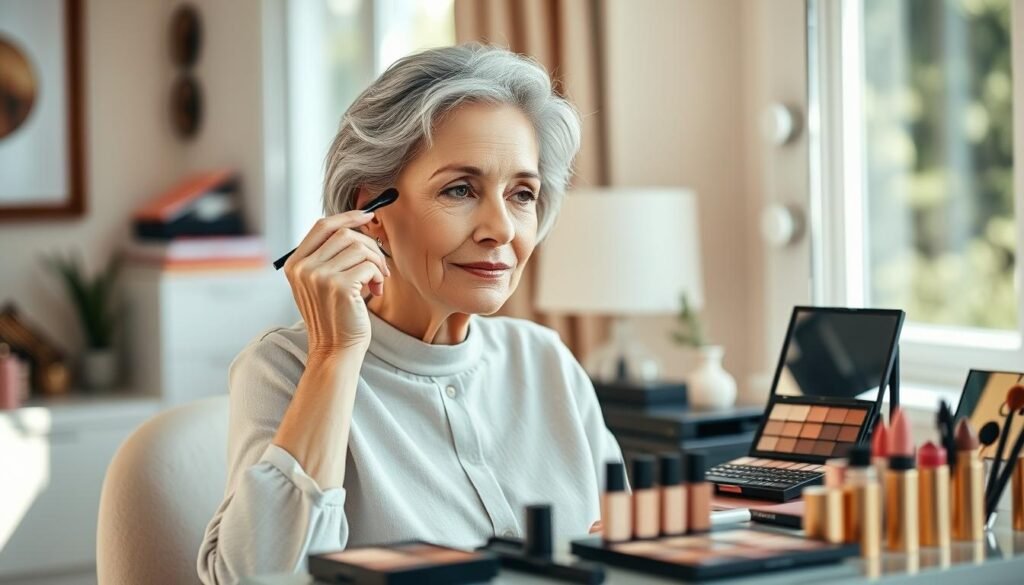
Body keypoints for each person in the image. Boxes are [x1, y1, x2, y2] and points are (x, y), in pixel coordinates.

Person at [197, 43, 624, 585]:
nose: (502, 229)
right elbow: (256, 579)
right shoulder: (283, 367)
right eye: (461, 189)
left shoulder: (546, 360)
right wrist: (333, 356)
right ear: (370, 211)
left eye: (522, 194)